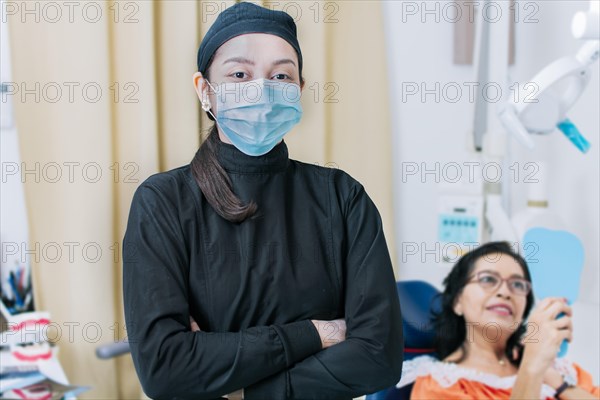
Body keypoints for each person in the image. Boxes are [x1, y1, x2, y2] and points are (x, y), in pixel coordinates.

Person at [122, 2, 402, 399]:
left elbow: (379, 356)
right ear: (205, 90)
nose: (263, 89)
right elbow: (165, 369)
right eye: (239, 73)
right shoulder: (163, 202)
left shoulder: (342, 197)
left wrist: (244, 390)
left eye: (281, 75)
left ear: (299, 90)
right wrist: (319, 333)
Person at [397, 241, 599, 399]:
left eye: (518, 285)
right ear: (458, 301)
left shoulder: (555, 369)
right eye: (487, 279)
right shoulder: (440, 386)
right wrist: (532, 368)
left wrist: (559, 384)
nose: (505, 292)